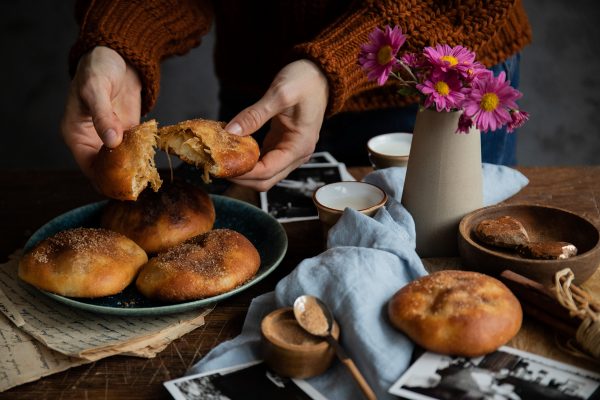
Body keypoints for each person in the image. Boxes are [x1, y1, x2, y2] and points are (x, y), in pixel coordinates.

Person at [61, 0, 532, 191]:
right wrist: (118, 40)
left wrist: (337, 62)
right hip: (267, 97)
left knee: (448, 266)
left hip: (433, 81)